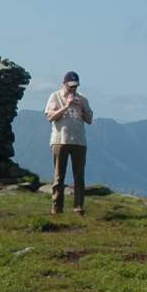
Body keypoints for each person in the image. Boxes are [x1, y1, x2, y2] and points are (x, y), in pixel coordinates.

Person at [45, 70, 95, 215]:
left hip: (79, 141)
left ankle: (78, 207)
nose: (73, 89)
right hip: (60, 140)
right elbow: (51, 117)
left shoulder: (83, 99)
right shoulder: (55, 96)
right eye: (71, 86)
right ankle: (57, 208)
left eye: (75, 86)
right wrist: (66, 106)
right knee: (59, 176)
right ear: (64, 83)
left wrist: (80, 108)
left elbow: (90, 120)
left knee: (79, 176)